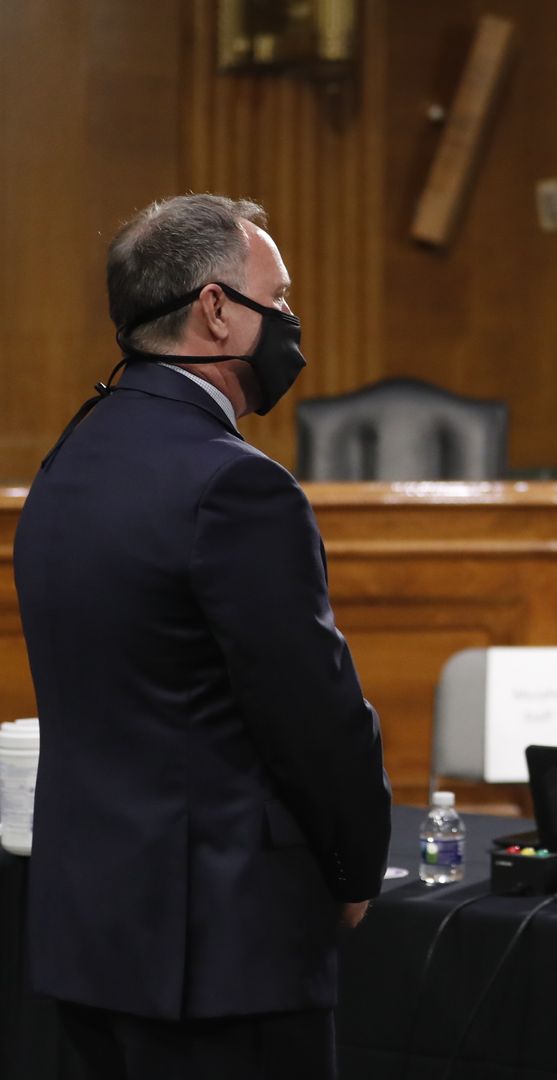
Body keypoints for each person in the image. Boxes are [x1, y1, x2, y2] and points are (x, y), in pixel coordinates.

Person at [13, 194, 393, 1078]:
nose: (292, 323)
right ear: (218, 308)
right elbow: (313, 713)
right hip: (223, 952)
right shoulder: (236, 487)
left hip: (91, 936)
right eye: (280, 298)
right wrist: (354, 866)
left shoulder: (65, 465)